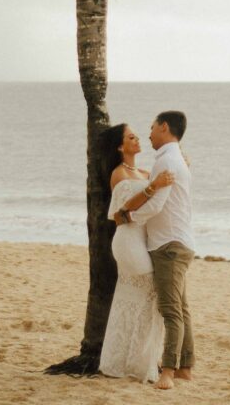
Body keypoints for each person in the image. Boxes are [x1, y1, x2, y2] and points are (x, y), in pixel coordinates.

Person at [116, 110, 195, 392]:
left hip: (168, 245)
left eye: (151, 128)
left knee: (171, 310)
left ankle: (169, 372)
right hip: (179, 240)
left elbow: (156, 205)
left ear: (164, 127)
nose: (148, 134)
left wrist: (128, 216)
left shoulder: (168, 160)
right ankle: (185, 367)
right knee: (181, 309)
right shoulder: (174, 158)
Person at [98, 123, 176, 384]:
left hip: (143, 240)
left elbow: (159, 190)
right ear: (121, 146)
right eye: (131, 137)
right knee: (149, 293)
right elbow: (121, 214)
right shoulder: (118, 174)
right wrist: (154, 186)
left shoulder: (144, 171)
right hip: (128, 241)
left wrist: (180, 165)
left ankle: (133, 361)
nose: (137, 139)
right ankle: (137, 362)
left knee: (136, 300)